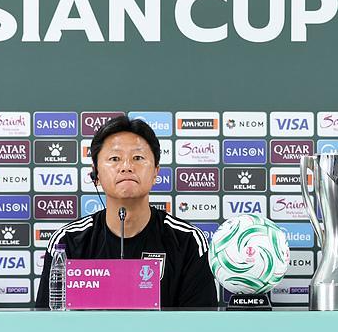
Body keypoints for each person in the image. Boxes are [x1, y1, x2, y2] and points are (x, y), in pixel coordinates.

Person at [36, 115, 218, 308]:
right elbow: (48, 321)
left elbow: (200, 323)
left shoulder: (187, 241)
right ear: (95, 174)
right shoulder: (68, 242)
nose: (126, 167)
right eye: (115, 158)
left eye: (138, 158)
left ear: (156, 172)